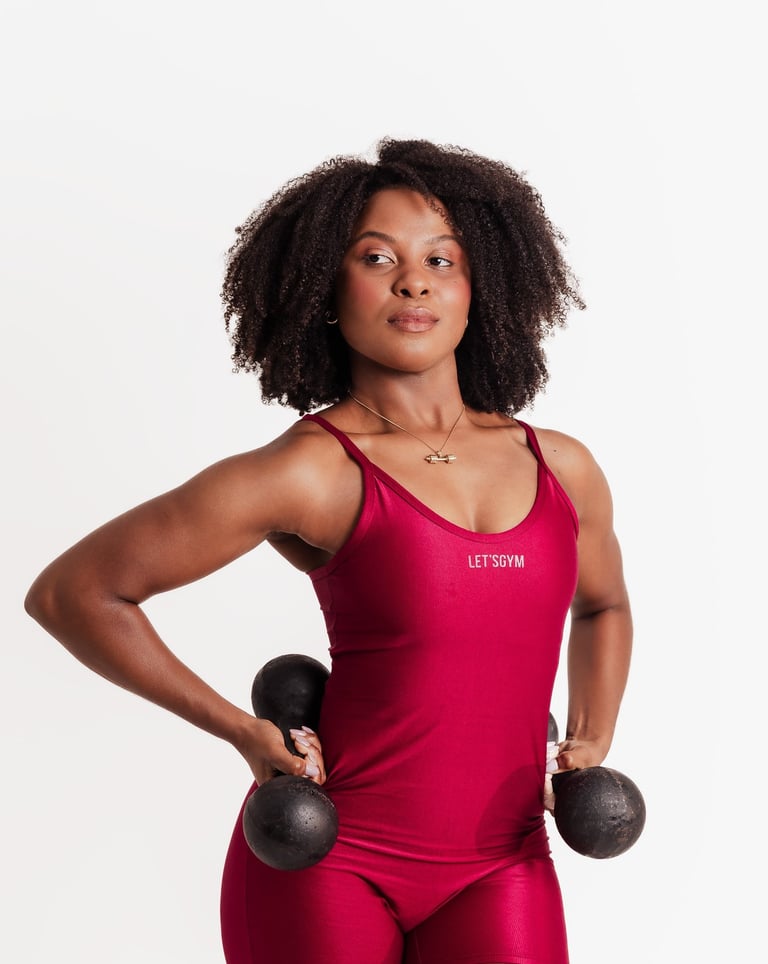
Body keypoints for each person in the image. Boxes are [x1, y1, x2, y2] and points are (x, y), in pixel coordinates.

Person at [25, 138, 633, 964]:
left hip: (505, 859)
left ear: (480, 285)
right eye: (377, 258)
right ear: (324, 289)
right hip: (330, 859)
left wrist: (591, 737)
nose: (413, 281)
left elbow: (603, 604)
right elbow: (75, 594)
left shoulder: (561, 466)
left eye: (441, 259)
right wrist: (243, 732)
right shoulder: (312, 471)